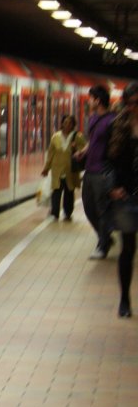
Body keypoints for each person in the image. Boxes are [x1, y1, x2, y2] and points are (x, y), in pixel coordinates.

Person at [106, 81, 138, 317]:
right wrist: (113, 186)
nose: (134, 108)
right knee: (127, 248)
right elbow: (109, 161)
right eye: (131, 104)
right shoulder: (118, 126)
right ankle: (124, 300)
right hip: (126, 195)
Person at [78, 85, 117, 259]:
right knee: (88, 207)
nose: (89, 101)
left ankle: (103, 245)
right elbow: (92, 141)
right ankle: (105, 236)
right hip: (89, 169)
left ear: (98, 100)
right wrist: (84, 151)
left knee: (102, 209)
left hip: (102, 171)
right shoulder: (93, 118)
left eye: (91, 98)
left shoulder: (112, 121)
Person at [41, 114, 85, 221]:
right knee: (56, 192)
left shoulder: (78, 137)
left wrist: (76, 148)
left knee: (69, 192)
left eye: (70, 123)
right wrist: (46, 168)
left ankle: (68, 212)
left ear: (73, 125)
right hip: (57, 170)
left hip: (71, 170)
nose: (67, 125)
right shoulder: (55, 137)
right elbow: (50, 154)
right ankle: (54, 212)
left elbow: (84, 150)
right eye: (65, 123)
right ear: (61, 124)